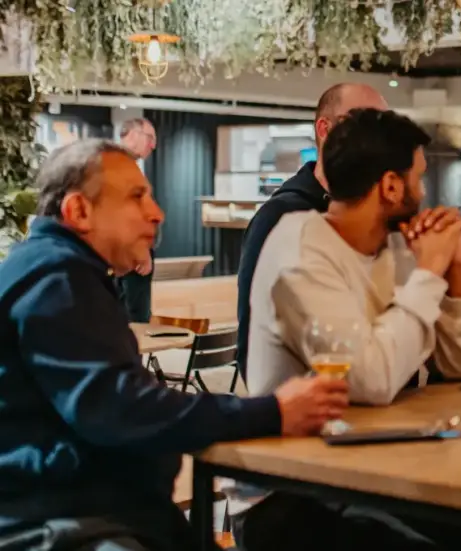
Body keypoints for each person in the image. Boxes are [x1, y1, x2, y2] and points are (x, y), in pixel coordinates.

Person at [0, 139, 349, 551]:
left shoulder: (59, 269)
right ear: (79, 211)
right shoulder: (57, 277)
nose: (157, 213)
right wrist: (272, 412)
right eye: (137, 197)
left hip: (100, 517)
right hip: (64, 527)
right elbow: (121, 409)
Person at [237, 108, 461, 551]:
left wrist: (457, 273)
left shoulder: (396, 245)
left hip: (390, 464)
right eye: (419, 178)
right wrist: (429, 272)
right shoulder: (300, 254)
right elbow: (369, 380)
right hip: (295, 489)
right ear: (391, 185)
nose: (424, 192)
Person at [236, 83, 388, 380]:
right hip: (311, 412)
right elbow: (254, 350)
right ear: (325, 129)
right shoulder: (280, 218)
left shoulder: (379, 223)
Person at [116, 117, 158, 322]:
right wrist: (140, 251)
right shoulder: (118, 167)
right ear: (132, 135)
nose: (153, 145)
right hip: (131, 262)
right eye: (150, 138)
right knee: (136, 323)